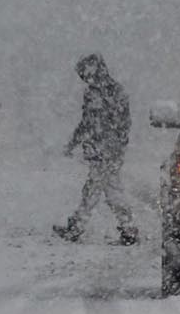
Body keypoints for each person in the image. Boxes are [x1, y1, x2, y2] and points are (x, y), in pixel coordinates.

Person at [54, 53, 139, 245]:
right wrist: (75, 142)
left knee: (97, 189)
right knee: (106, 189)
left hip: (106, 150)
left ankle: (79, 226)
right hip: (99, 149)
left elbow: (121, 122)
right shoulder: (94, 92)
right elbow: (87, 122)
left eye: (85, 72)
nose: (84, 77)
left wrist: (114, 144)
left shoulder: (112, 92)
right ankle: (127, 228)